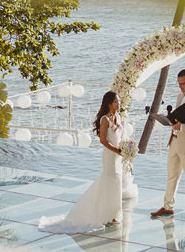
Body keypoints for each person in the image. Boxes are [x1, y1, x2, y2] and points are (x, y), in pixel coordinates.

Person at [38, 91, 126, 234]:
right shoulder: (105, 119)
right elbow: (103, 140)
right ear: (109, 103)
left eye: (119, 101)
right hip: (110, 155)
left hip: (118, 155)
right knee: (109, 180)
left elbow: (120, 136)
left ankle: (114, 213)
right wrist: (116, 150)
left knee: (117, 182)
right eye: (116, 101)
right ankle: (100, 211)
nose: (119, 104)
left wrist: (125, 148)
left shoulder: (119, 117)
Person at [149, 68, 185, 221]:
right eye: (178, 84)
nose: (181, 87)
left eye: (183, 84)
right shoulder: (179, 96)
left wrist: (183, 127)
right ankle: (168, 206)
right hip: (175, 140)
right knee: (172, 174)